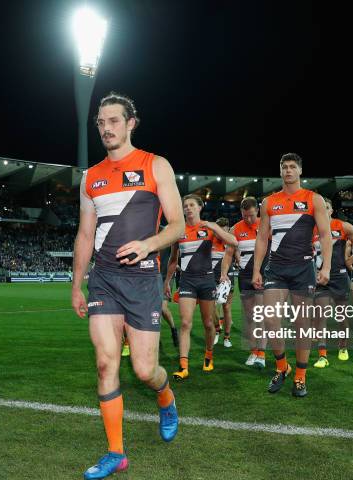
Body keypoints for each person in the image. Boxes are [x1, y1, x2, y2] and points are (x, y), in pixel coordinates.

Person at [71, 92, 184, 479]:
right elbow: (85, 236)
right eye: (101, 123)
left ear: (131, 123)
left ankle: (166, 398)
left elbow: (178, 226)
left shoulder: (156, 166)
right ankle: (116, 452)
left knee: (144, 369)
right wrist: (76, 287)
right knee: (106, 363)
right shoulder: (91, 177)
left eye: (114, 121)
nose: (106, 129)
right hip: (104, 280)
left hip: (142, 281)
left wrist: (148, 245)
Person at [252, 153, 331, 398]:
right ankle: (281, 367)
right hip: (276, 268)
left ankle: (300, 376)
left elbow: (326, 235)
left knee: (301, 325)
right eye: (284, 167)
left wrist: (325, 267)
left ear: (299, 171)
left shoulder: (313, 199)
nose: (288, 171)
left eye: (292, 167)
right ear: (280, 172)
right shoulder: (269, 202)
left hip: (303, 269)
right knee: (271, 320)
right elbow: (262, 237)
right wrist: (256, 269)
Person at [165, 195, 238, 380]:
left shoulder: (209, 228)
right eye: (185, 206)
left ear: (200, 207)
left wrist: (214, 227)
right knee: (185, 323)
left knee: (208, 323)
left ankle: (208, 355)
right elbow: (173, 259)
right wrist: (167, 282)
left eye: (191, 205)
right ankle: (183, 366)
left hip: (206, 282)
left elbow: (234, 242)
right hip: (187, 281)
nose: (188, 208)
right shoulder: (178, 230)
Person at [312, 200, 353, 367]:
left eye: (326, 207)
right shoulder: (310, 228)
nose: (322, 210)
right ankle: (322, 355)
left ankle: (343, 346)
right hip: (320, 279)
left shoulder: (343, 226)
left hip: (339, 277)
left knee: (341, 315)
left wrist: (350, 260)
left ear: (331, 210)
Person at [221, 197, 269, 368]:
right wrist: (223, 274)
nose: (248, 219)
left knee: (261, 315)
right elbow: (228, 253)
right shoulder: (235, 229)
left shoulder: (266, 225)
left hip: (263, 275)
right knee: (249, 317)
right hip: (244, 276)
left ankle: (261, 354)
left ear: (257, 210)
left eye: (251, 215)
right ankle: (253, 351)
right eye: (245, 215)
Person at [211, 217, 234, 347]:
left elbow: (237, 255)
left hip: (228, 278)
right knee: (212, 306)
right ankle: (217, 330)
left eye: (225, 231)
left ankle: (227, 337)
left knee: (226, 307)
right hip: (212, 278)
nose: (222, 235)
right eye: (220, 231)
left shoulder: (230, 241)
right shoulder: (209, 241)